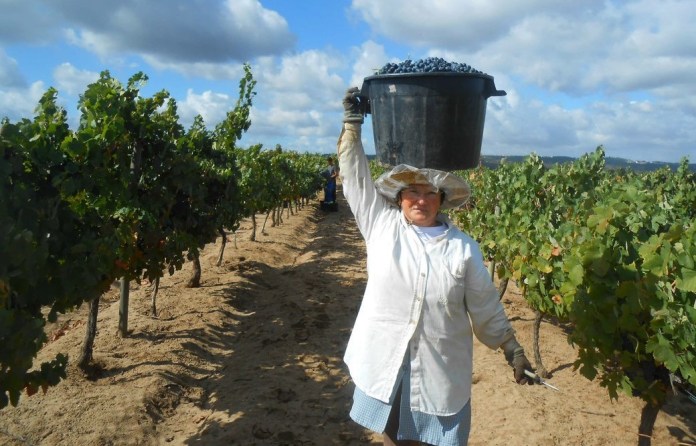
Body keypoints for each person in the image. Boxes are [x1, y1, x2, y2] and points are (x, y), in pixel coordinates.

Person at [337, 87, 533, 446]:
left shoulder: (463, 249)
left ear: (442, 201)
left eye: (431, 194)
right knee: (392, 437)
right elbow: (354, 178)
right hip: (386, 363)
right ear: (400, 197)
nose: (421, 200)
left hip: (438, 371)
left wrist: (512, 348)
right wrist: (352, 126)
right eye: (413, 192)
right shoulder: (381, 225)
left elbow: (485, 304)